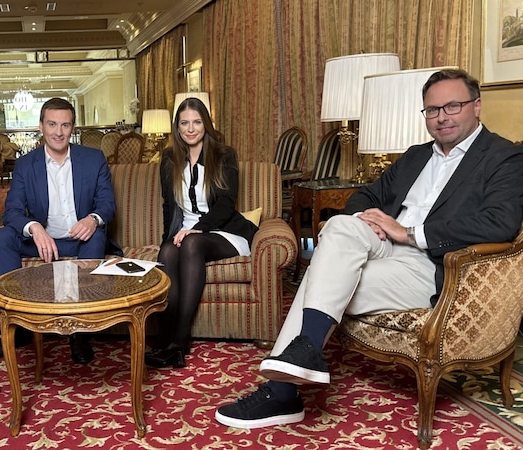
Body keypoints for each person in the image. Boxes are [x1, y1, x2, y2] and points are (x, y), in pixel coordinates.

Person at [215, 68, 523, 429]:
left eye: (452, 106)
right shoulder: (416, 155)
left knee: (321, 272)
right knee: (343, 226)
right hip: (384, 246)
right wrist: (367, 222)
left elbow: (499, 223)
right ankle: (305, 354)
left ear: (477, 105)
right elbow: (366, 195)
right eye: (432, 110)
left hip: (435, 264)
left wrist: (409, 232)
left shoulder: (503, 157)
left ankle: (283, 391)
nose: (441, 117)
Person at [0, 98, 117, 364]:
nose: (58, 132)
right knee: (3, 236)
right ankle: (16, 328)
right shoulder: (25, 164)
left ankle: (79, 332)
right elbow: (11, 212)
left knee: (97, 234)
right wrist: (34, 228)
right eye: (52, 124)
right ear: (41, 126)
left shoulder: (93, 159)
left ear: (73, 127)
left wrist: (93, 218)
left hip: (78, 241)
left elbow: (107, 204)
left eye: (65, 125)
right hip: (42, 241)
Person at [145, 97, 258, 369]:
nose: (191, 128)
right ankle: (165, 338)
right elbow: (168, 206)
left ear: (206, 124)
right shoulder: (169, 158)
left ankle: (180, 341)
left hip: (225, 232)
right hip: (187, 232)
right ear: (178, 126)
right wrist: (169, 239)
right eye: (184, 123)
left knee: (192, 244)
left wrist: (194, 229)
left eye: (196, 122)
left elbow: (226, 205)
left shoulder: (224, 154)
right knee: (170, 250)